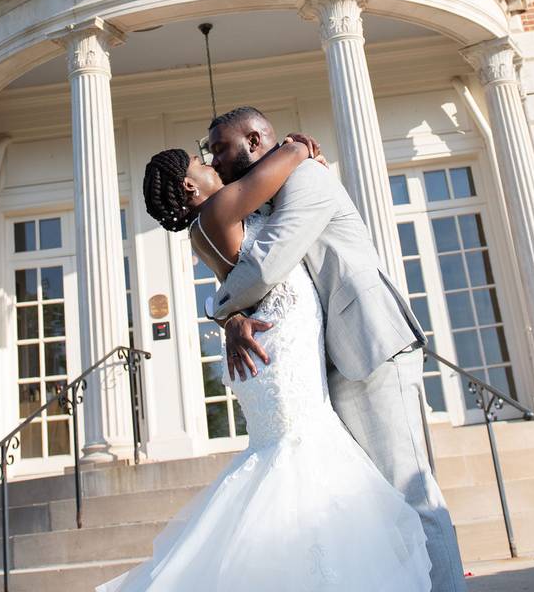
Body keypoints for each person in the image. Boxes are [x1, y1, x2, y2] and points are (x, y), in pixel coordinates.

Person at [96, 135, 431, 591]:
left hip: (273, 341)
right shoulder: (216, 212)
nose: (211, 164)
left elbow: (236, 284)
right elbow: (279, 166)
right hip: (278, 347)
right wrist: (295, 147)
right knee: (300, 458)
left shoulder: (213, 224)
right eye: (201, 161)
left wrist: (229, 316)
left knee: (303, 459)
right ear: (191, 189)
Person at [209, 107, 467, 592]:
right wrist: (237, 316)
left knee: (410, 495)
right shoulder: (267, 199)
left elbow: (267, 268)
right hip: (329, 367)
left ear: (256, 138)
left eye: (221, 148)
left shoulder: (307, 179)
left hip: (373, 349)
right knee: (374, 506)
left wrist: (218, 310)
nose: (215, 160)